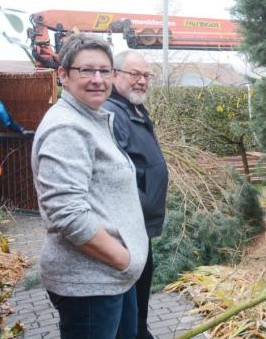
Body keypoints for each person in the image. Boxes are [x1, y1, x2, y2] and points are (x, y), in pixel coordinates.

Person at [31, 35, 147, 339]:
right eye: (86, 71)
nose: (97, 79)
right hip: (91, 284)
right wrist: (123, 258)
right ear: (64, 76)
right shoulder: (67, 127)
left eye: (104, 71)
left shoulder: (91, 119)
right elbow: (66, 214)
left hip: (111, 278)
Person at [102, 51, 169, 339]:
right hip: (127, 229)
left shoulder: (135, 109)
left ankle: (141, 332)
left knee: (139, 305)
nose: (141, 81)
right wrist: (140, 206)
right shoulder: (112, 114)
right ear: (115, 74)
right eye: (134, 74)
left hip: (140, 228)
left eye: (146, 76)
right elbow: (115, 177)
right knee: (129, 306)